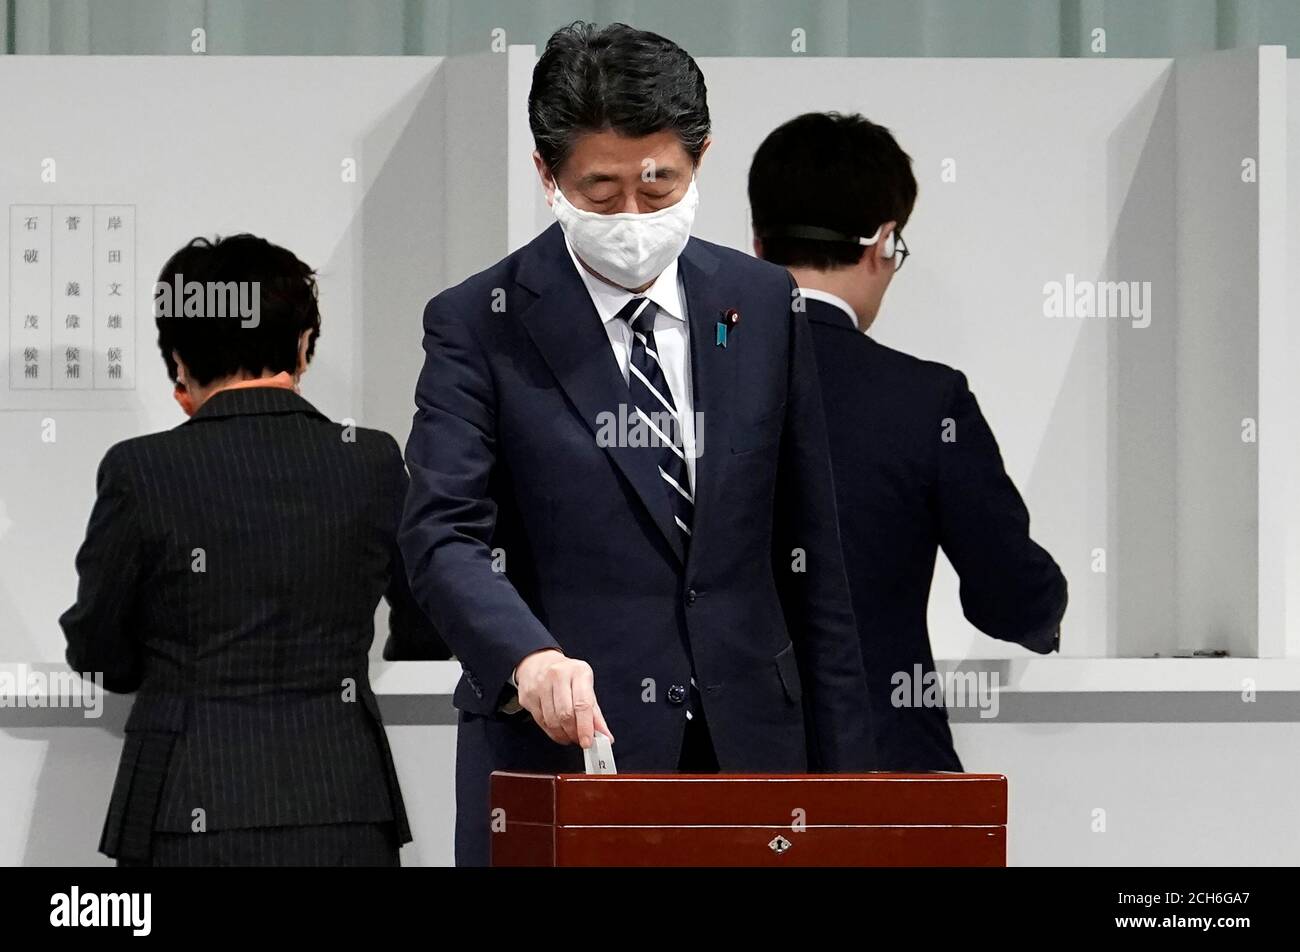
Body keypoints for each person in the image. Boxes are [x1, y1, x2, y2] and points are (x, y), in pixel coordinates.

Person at [396, 22, 875, 866]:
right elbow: (441, 534)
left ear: (701, 160)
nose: (631, 218)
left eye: (659, 189)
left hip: (751, 753)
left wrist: (847, 796)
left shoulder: (762, 303)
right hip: (565, 756)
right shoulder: (481, 322)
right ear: (547, 175)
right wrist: (528, 658)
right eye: (600, 191)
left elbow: (813, 560)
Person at [60, 233, 446, 866]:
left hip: (184, 802)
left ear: (178, 356)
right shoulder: (370, 460)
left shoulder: (141, 469)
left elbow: (98, 648)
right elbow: (430, 624)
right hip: (343, 804)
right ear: (301, 343)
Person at [749, 112, 1068, 772]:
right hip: (884, 772)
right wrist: (1045, 615)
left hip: (710, 785)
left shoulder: (682, 387)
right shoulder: (926, 401)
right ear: (884, 242)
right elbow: (1009, 591)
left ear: (757, 243)